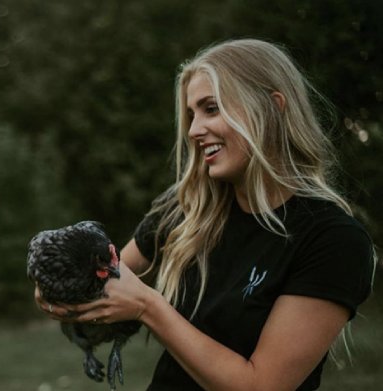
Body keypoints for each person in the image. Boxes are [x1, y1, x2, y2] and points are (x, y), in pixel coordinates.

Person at [37, 39, 376, 390]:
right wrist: (61, 291)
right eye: (191, 114)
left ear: (274, 108)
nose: (194, 129)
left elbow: (261, 386)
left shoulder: (332, 239)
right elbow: (107, 279)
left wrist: (148, 308)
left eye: (211, 108)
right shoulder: (185, 211)